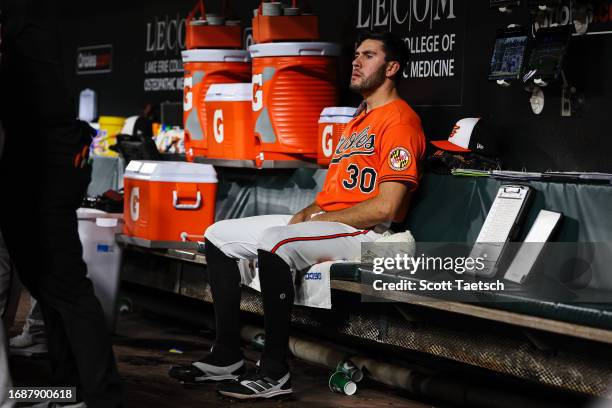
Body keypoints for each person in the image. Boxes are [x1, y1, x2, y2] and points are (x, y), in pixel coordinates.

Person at [169, 29, 426, 400]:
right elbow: (334, 195)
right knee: (218, 235)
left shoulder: (400, 121)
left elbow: (390, 207)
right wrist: (308, 212)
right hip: (333, 224)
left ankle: (274, 372)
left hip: (369, 234)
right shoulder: (359, 119)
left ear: (392, 68)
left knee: (277, 241)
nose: (356, 61)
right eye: (356, 54)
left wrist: (316, 222)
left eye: (368, 56)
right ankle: (227, 355)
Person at [0, 0, 123, 406]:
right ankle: (65, 390)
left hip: (44, 165)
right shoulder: (23, 31)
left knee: (65, 286)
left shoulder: (27, 30)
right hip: (34, 163)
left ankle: (102, 398)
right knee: (47, 286)